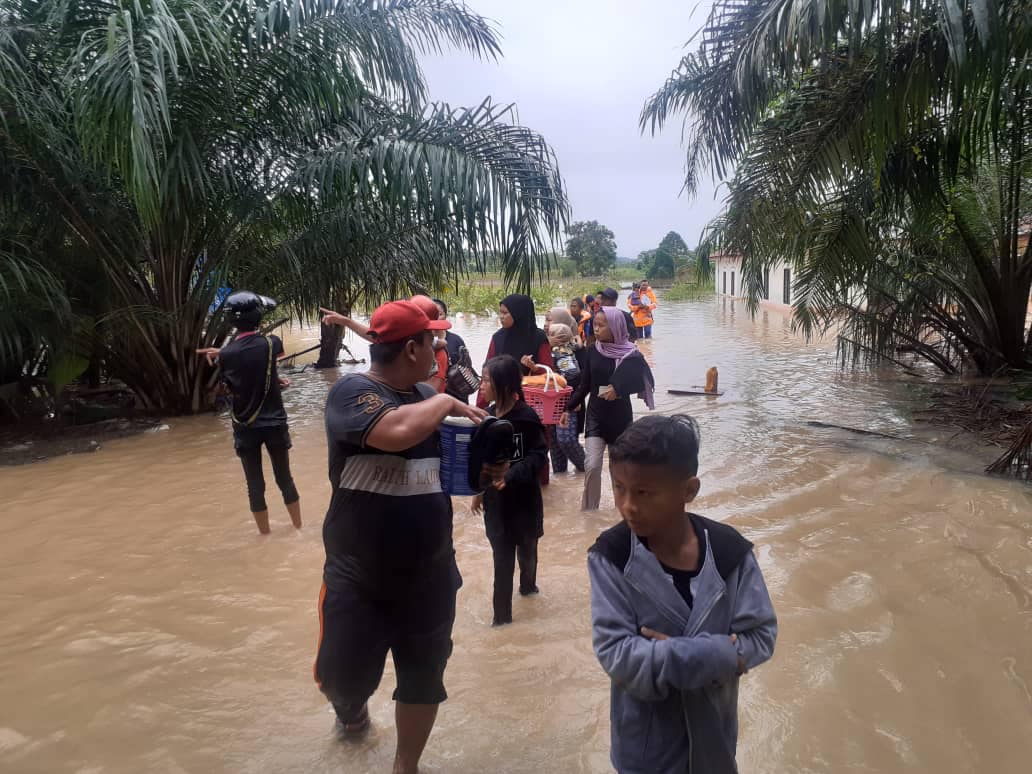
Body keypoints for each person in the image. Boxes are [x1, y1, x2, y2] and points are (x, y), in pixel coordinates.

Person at [313, 300, 488, 774]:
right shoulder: (354, 393)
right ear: (411, 349)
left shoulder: (423, 403)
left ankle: (404, 766)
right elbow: (394, 433)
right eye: (432, 340)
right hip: (358, 575)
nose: (439, 346)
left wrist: (490, 467)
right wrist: (449, 400)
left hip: (429, 573)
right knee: (341, 679)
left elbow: (454, 474)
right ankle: (352, 718)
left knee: (423, 677)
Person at [587, 415, 777, 773]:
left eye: (643, 492)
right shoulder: (611, 556)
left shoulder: (729, 552)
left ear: (689, 490)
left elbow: (762, 635)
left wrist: (668, 652)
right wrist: (720, 653)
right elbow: (616, 654)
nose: (627, 505)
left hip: (715, 744)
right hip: (645, 751)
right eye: (619, 488)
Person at [196, 291, 301, 535]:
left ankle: (264, 535)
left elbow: (232, 384)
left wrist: (220, 354)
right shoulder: (272, 343)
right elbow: (264, 367)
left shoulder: (227, 354)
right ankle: (298, 529)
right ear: (257, 317)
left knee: (254, 484)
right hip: (274, 423)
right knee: (284, 478)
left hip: (244, 425)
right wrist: (277, 381)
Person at [471, 356, 547, 626]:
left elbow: (539, 455)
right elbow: (483, 459)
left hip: (525, 503)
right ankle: (501, 620)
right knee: (501, 563)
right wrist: (478, 491)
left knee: (527, 556)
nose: (481, 385)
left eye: (486, 380)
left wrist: (512, 475)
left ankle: (529, 589)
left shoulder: (526, 418)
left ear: (503, 385)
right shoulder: (487, 417)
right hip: (496, 506)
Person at [565, 306, 655, 511]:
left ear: (615, 327)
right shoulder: (592, 351)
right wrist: (568, 408)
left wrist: (620, 389)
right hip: (595, 417)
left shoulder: (632, 355)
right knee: (593, 466)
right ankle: (589, 514)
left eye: (601, 325)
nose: (596, 329)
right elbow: (585, 385)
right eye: (594, 325)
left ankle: (621, 511)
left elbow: (642, 382)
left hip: (621, 420)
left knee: (620, 471)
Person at [320, 295, 448, 393]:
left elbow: (431, 393)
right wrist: (347, 322)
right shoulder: (399, 346)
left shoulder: (434, 351)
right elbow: (378, 337)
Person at [478, 293, 553, 406]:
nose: (501, 316)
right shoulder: (498, 338)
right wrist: (480, 407)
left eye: (505, 313)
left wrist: (534, 368)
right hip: (503, 403)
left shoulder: (538, 338)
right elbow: (487, 374)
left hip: (533, 403)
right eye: (500, 312)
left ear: (519, 314)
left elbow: (550, 375)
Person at [433, 298, 477, 403]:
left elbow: (467, 367)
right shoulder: (421, 342)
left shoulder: (456, 340)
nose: (436, 318)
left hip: (457, 397)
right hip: (433, 398)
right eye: (431, 314)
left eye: (439, 314)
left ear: (446, 316)